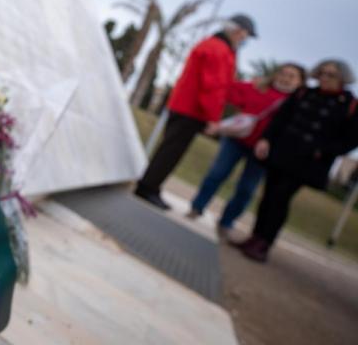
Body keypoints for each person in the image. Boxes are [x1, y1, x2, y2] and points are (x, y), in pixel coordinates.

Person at [236, 59, 358, 262]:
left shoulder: (349, 105)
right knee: (268, 196)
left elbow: (350, 139)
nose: (325, 78)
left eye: (331, 75)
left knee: (281, 197)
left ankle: (265, 242)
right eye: (322, 73)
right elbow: (280, 119)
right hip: (282, 152)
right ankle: (255, 236)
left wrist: (323, 151)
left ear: (342, 78)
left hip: (308, 162)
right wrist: (266, 139)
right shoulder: (304, 93)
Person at [134, 14, 257, 210]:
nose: (244, 40)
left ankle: (151, 185)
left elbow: (224, 85)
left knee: (172, 150)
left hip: (188, 108)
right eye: (245, 36)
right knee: (171, 151)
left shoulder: (218, 48)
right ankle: (147, 187)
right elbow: (212, 87)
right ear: (238, 31)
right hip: (190, 110)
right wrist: (213, 119)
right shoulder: (218, 50)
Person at [187, 63, 306, 238]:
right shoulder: (259, 87)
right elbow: (230, 90)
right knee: (217, 173)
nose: (285, 78)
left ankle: (227, 221)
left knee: (247, 189)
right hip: (236, 140)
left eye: (291, 76)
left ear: (300, 81)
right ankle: (197, 207)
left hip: (263, 151)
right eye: (283, 73)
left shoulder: (299, 102)